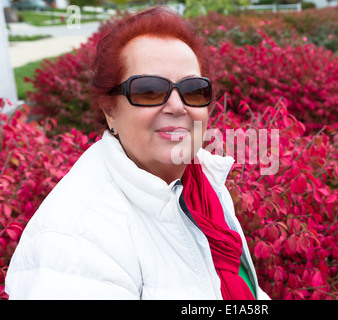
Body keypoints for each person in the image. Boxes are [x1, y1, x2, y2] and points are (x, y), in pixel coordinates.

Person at [5, 6, 270, 300]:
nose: (177, 106)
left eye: (193, 90)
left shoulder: (203, 184)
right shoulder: (75, 242)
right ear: (110, 111)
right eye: (148, 90)